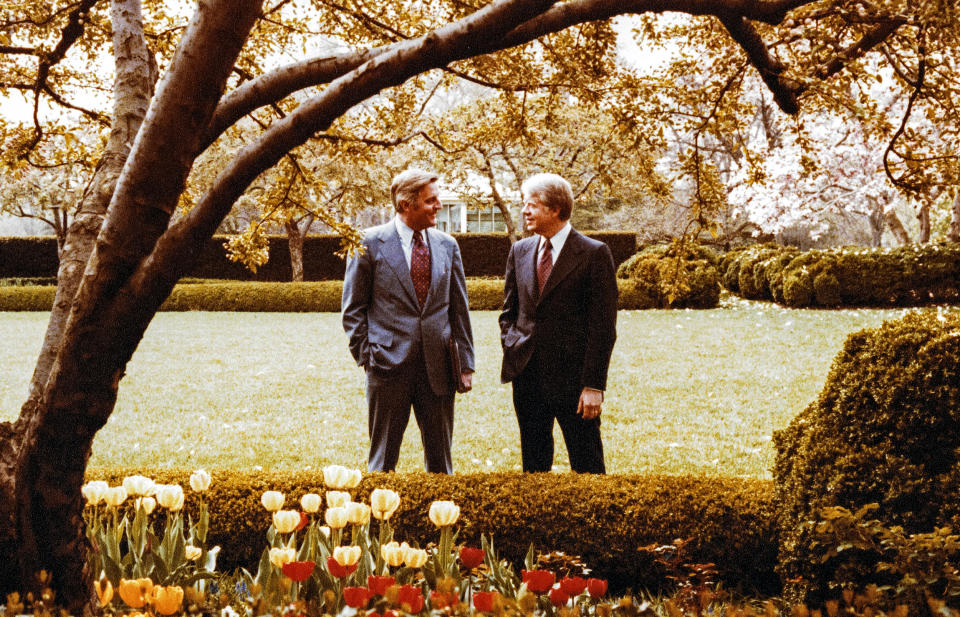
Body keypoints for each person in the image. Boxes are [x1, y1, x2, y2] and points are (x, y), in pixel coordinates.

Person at [342, 169, 475, 474]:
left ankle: (442, 521)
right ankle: (376, 522)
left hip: (439, 370)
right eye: (431, 200)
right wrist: (368, 356)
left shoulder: (447, 245)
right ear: (405, 204)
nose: (439, 205)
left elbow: (459, 310)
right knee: (382, 463)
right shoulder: (368, 243)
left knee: (441, 464)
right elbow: (352, 310)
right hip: (387, 368)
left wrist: (465, 363)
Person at [499, 172, 617, 474]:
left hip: (575, 383)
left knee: (588, 467)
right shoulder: (520, 251)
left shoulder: (594, 254)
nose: (525, 211)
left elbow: (603, 328)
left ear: (555, 210)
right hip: (528, 378)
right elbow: (508, 313)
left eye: (532, 205)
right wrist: (513, 345)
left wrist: (593, 385)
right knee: (534, 468)